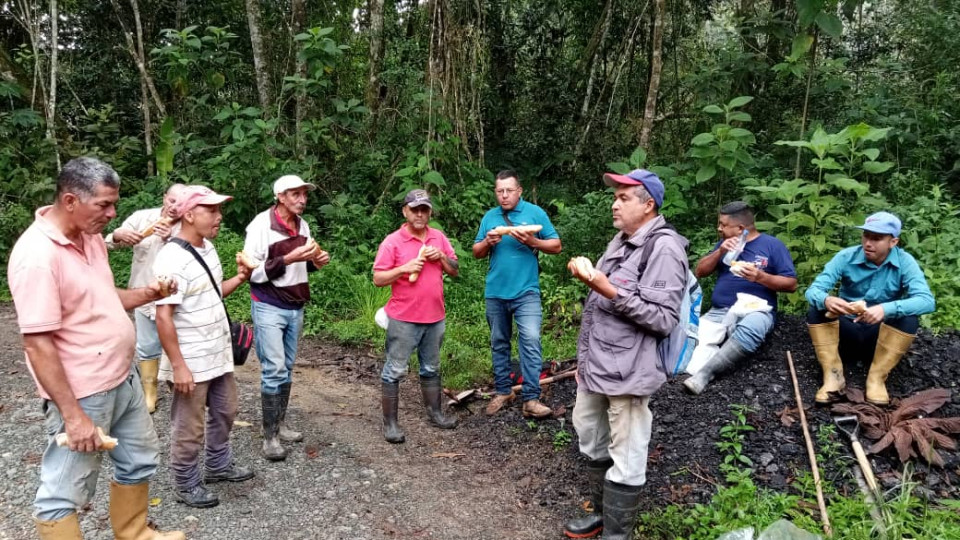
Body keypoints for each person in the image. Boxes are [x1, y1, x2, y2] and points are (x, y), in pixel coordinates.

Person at [7, 157, 184, 540]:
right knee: (62, 492)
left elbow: (103, 297)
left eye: (113, 203)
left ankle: (134, 532)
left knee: (139, 459)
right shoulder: (37, 256)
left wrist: (149, 292)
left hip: (124, 376)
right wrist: (72, 416)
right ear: (70, 200)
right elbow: (37, 344)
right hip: (83, 391)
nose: (112, 213)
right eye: (103, 204)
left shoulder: (88, 239)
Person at [564, 169, 688, 540]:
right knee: (589, 434)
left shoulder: (664, 248)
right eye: (614, 196)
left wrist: (608, 289)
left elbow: (663, 318)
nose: (614, 203)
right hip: (597, 365)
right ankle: (601, 513)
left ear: (648, 205)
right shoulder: (621, 240)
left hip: (631, 370)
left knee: (628, 451)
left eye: (624, 197)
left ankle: (617, 534)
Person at [154, 185, 255, 508]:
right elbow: (163, 316)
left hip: (218, 351)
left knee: (226, 410)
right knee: (189, 424)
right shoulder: (170, 258)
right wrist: (178, 365)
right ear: (188, 214)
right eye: (211, 210)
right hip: (191, 358)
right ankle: (185, 482)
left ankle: (218, 464)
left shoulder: (208, 248)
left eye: (218, 210)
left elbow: (210, 293)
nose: (218, 216)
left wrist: (240, 278)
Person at [242, 175, 330, 461]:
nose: (302, 199)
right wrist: (291, 258)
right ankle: (269, 437)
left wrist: (315, 261)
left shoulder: (302, 225)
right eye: (295, 194)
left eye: (304, 194)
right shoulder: (260, 226)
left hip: (296, 304)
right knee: (274, 368)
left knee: (288, 367)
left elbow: (301, 268)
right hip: (268, 303)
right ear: (280, 196)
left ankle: (280, 424)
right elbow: (252, 273)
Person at [805, 211, 935, 405]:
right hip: (845, 332)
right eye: (866, 235)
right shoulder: (846, 256)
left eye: (877, 238)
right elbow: (813, 290)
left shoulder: (905, 262)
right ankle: (833, 375)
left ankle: (876, 378)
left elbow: (926, 301)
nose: (868, 243)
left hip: (879, 337)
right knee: (816, 309)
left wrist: (886, 309)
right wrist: (827, 300)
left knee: (909, 318)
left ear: (893, 242)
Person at [472, 170, 562, 419]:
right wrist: (487, 243)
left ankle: (531, 398)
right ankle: (503, 390)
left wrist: (533, 242)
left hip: (526, 291)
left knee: (531, 340)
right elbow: (476, 251)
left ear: (519, 191)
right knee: (499, 342)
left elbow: (556, 245)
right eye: (499, 191)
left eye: (509, 190)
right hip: (496, 291)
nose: (504, 195)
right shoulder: (490, 217)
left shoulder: (535, 213)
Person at [682, 201, 797, 394]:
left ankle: (705, 375)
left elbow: (791, 284)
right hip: (719, 311)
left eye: (723, 224)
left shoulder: (772, 246)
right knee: (691, 337)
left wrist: (760, 277)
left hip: (757, 309)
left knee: (752, 327)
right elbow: (700, 271)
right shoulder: (725, 245)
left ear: (740, 228)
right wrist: (720, 251)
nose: (719, 228)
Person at [373, 189, 459, 444]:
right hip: (403, 318)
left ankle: (435, 413)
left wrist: (442, 256)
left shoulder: (438, 237)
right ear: (405, 211)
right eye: (415, 209)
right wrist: (403, 269)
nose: (420, 214)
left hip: (435, 317)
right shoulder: (393, 242)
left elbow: (455, 271)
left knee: (431, 367)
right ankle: (390, 424)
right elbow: (378, 278)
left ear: (430, 212)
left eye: (424, 209)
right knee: (395, 370)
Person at [105, 183, 186, 413]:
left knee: (177, 345)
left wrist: (172, 238)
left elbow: (194, 254)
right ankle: (149, 393)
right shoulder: (142, 217)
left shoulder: (187, 226)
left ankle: (180, 391)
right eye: (172, 201)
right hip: (143, 294)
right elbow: (109, 241)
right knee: (147, 345)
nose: (174, 207)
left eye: (180, 204)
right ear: (164, 198)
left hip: (173, 297)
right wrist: (118, 235)